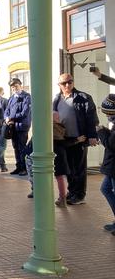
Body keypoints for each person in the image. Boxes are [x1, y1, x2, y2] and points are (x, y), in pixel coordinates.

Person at [52, 73, 99, 205]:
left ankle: (79, 195)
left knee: (79, 168)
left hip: (80, 138)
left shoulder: (83, 97)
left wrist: (92, 136)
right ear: (59, 85)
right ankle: (71, 192)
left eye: (70, 82)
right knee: (68, 169)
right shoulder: (57, 98)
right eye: (64, 83)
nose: (67, 85)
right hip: (64, 139)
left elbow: (91, 118)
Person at [4, 78, 31, 176]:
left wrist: (11, 118)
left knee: (22, 147)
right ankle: (18, 167)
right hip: (13, 127)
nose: (14, 88)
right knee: (15, 147)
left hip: (22, 126)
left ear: (20, 85)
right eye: (12, 87)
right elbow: (6, 110)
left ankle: (24, 168)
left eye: (16, 86)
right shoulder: (11, 98)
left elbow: (24, 113)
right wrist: (6, 118)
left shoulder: (26, 97)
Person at [97, 94, 115, 232]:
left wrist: (102, 132)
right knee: (105, 189)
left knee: (107, 189)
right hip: (111, 165)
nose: (108, 117)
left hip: (113, 166)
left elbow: (111, 144)